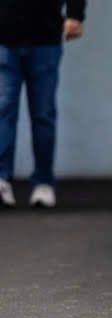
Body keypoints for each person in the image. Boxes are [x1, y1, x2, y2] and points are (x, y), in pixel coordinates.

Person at [0, 0, 87, 208]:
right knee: (3, 110)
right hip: (4, 37)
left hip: (44, 37)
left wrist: (75, 15)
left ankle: (44, 183)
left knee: (43, 113)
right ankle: (2, 180)